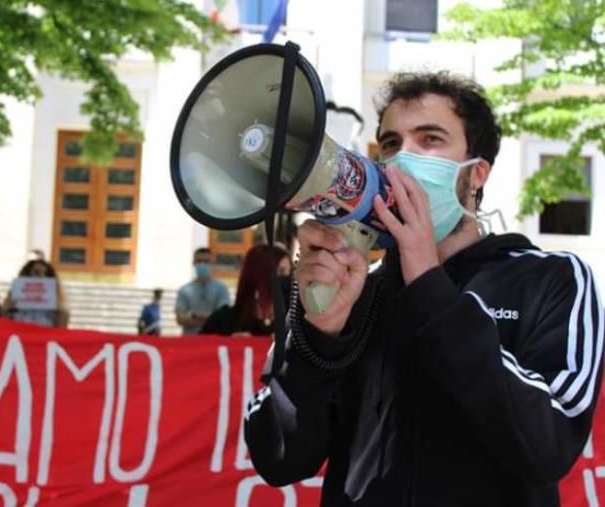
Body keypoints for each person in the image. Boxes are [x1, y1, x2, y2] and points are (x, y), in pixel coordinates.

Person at [244, 71, 604, 506]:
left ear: (476, 174)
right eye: (391, 144)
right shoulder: (357, 290)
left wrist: (430, 288)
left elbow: (547, 445)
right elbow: (278, 458)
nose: (403, 160)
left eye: (430, 139)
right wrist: (317, 338)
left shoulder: (551, 279)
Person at [201, 244, 291, 336]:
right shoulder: (222, 320)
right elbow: (200, 347)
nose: (288, 278)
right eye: (280, 271)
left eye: (290, 272)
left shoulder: (293, 322)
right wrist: (231, 345)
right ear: (257, 275)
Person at [175, 247, 231, 335]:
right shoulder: (184, 290)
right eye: (199, 261)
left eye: (206, 261)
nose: (202, 264)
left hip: (213, 341)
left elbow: (223, 317)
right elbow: (180, 319)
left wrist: (194, 316)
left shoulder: (221, 288)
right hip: (190, 341)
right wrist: (210, 318)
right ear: (194, 263)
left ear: (212, 263)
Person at [2, 259, 69, 327]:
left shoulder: (57, 303)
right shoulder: (14, 300)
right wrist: (7, 308)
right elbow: (3, 322)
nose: (42, 276)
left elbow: (62, 328)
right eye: (37, 272)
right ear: (27, 275)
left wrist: (60, 309)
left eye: (46, 274)